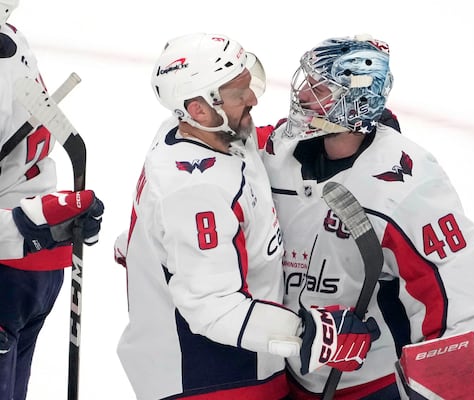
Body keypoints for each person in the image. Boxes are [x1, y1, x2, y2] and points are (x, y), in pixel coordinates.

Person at [115, 32, 380, 400]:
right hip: (209, 382)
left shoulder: (210, 134)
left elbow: (251, 154)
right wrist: (313, 333)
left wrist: (338, 123)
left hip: (240, 370)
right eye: (239, 93)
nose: (253, 98)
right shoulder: (195, 190)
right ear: (198, 109)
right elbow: (213, 308)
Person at [258, 34, 474, 399]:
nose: (303, 95)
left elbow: (454, 288)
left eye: (320, 89)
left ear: (354, 102)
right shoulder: (277, 151)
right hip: (285, 373)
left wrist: (439, 378)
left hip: (372, 385)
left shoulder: (405, 184)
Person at [0, 1, 105, 399]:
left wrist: (44, 223)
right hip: (29, 268)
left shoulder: (9, 42)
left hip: (18, 268)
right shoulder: (11, 39)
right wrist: (36, 223)